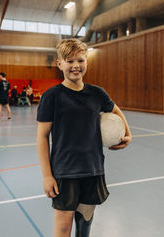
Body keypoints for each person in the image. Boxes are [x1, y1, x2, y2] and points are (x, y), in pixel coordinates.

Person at [36, 39, 132, 237]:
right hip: (64, 170)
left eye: (80, 60)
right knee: (63, 223)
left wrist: (128, 134)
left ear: (86, 61)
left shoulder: (97, 93)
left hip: (92, 168)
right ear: (59, 64)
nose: (75, 66)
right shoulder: (52, 96)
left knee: (86, 219)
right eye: (69, 61)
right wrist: (47, 175)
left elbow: (115, 110)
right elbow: (42, 136)